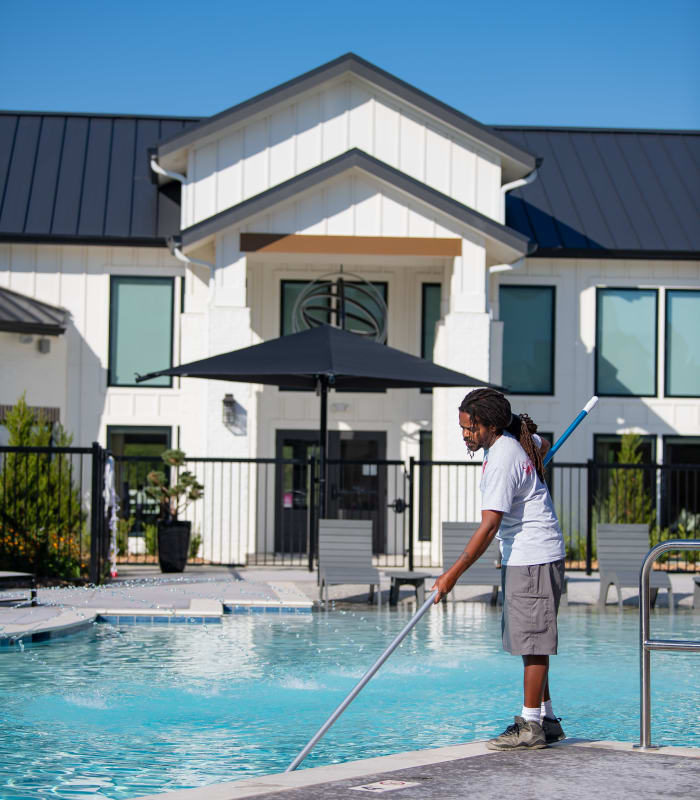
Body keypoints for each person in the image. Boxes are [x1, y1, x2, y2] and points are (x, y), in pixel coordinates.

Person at [430, 388, 566, 750]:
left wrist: (452, 575)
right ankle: (547, 719)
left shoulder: (503, 456)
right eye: (461, 428)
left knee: (533, 642)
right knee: (530, 641)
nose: (464, 435)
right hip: (530, 555)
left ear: (490, 425)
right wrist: (535, 456)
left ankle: (530, 727)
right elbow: (544, 442)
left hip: (532, 555)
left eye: (469, 428)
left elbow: (489, 527)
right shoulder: (512, 440)